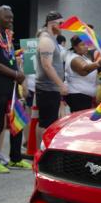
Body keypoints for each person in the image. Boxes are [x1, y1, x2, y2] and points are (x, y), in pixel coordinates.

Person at [0, 5, 32, 173]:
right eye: (7, 17)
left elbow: (10, 59)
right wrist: (15, 74)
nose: (11, 20)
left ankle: (16, 159)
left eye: (11, 17)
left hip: (13, 86)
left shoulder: (8, 36)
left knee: (18, 122)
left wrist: (19, 76)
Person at [35, 11, 67, 149]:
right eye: (61, 23)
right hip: (47, 88)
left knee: (47, 122)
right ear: (52, 24)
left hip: (50, 88)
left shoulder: (50, 38)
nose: (62, 26)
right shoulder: (46, 40)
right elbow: (47, 66)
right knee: (46, 124)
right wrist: (61, 85)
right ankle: (41, 152)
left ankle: (42, 151)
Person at [65, 35, 101, 112]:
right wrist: (98, 63)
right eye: (82, 45)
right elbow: (84, 69)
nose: (86, 46)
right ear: (75, 47)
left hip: (85, 96)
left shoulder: (83, 56)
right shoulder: (74, 58)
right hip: (78, 96)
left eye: (87, 44)